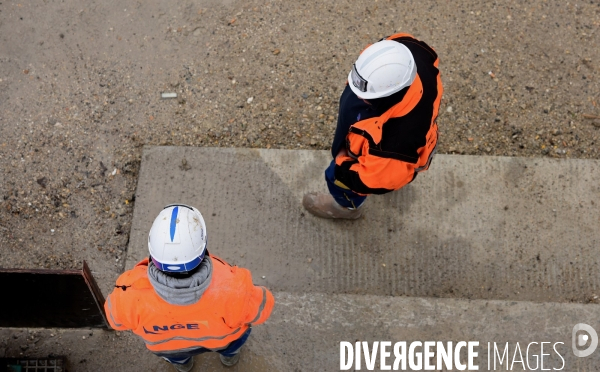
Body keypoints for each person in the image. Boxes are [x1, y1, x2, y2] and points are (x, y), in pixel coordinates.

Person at [104, 204, 274, 372]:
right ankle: (229, 357)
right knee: (233, 345)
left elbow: (115, 320)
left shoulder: (128, 294)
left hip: (169, 349)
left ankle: (183, 365)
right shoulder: (233, 287)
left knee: (178, 358)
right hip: (224, 341)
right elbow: (262, 310)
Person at [303, 33, 443, 219]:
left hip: (377, 163)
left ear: (391, 94)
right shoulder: (407, 49)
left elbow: (372, 181)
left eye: (366, 96)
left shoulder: (395, 144)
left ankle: (345, 206)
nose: (358, 96)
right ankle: (391, 175)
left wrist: (342, 167)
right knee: (388, 171)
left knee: (338, 179)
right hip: (387, 156)